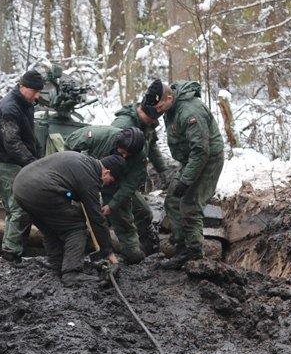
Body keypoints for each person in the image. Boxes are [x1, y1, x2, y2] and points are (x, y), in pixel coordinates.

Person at [13, 151, 123, 286]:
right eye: (109, 182)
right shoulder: (90, 176)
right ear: (106, 172)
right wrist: (108, 252)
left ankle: (57, 264)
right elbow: (96, 218)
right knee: (76, 228)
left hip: (20, 187)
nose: (105, 185)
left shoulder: (83, 161)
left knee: (50, 228)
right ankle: (72, 273)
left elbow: (69, 189)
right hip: (40, 189)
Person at [150, 79, 225, 269]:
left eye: (160, 106)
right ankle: (181, 246)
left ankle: (194, 255)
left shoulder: (190, 111)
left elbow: (201, 151)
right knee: (173, 201)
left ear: (169, 97)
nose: (158, 110)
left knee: (190, 206)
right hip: (190, 160)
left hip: (207, 160)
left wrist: (186, 180)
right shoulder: (171, 108)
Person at [64, 125, 147, 263]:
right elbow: (69, 144)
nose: (125, 155)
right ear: (118, 143)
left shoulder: (139, 154)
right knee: (75, 213)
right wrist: (75, 173)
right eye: (123, 151)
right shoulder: (100, 136)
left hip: (116, 182)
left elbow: (130, 185)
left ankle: (132, 253)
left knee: (123, 217)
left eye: (129, 154)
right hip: (87, 175)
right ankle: (79, 251)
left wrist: (112, 205)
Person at [0, 69, 44, 263]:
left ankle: (15, 251)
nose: (37, 96)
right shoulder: (9, 107)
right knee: (19, 206)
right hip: (4, 162)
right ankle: (10, 254)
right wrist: (33, 164)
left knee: (20, 206)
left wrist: (39, 157)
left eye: (39, 91)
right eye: (34, 91)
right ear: (22, 87)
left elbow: (29, 136)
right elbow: (12, 143)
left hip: (16, 162)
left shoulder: (26, 104)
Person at [111, 83, 173, 255]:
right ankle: (134, 251)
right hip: (117, 177)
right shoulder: (123, 125)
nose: (155, 123)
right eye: (152, 120)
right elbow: (110, 156)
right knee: (137, 213)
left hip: (131, 175)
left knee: (142, 213)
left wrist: (163, 170)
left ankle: (146, 248)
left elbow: (151, 147)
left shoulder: (146, 124)